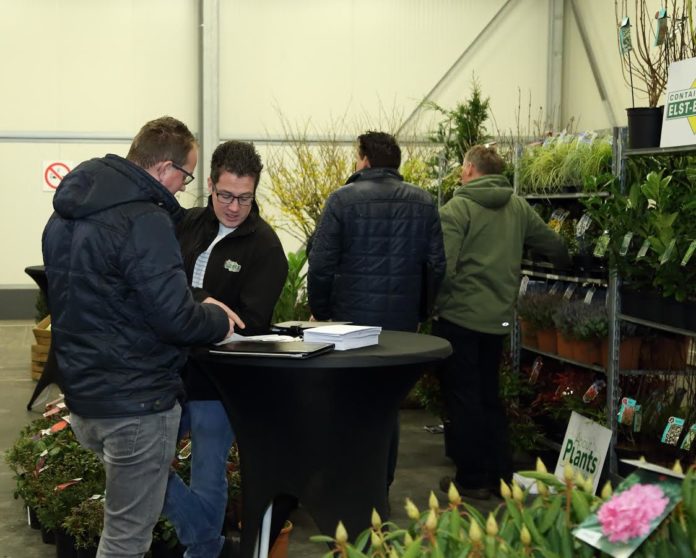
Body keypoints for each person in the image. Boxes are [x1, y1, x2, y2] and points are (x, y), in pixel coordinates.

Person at [42, 116, 243, 558]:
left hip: (86, 399)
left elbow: (110, 296)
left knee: (129, 524)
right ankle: (206, 540)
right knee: (126, 541)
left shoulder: (65, 216)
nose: (181, 187)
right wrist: (214, 317)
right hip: (136, 404)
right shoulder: (144, 220)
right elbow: (174, 320)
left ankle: (204, 540)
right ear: (164, 169)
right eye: (185, 176)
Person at [162, 140, 288, 558]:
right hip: (167, 371)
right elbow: (159, 285)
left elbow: (248, 323)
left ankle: (201, 552)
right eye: (226, 195)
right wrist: (200, 299)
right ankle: (205, 540)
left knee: (208, 471)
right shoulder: (188, 225)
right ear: (211, 184)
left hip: (220, 383)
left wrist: (191, 305)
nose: (235, 207)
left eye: (245, 198)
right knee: (140, 462)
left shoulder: (266, 249)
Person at [308, 130, 446, 494]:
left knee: (348, 401)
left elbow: (321, 263)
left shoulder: (342, 200)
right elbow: (437, 266)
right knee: (388, 403)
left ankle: (347, 483)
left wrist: (321, 311)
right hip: (401, 324)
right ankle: (380, 484)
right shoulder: (425, 202)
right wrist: (421, 311)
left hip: (348, 323)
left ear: (365, 159)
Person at [432, 144, 570, 500]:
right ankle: (501, 475)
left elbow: (443, 268)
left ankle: (472, 479)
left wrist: (436, 304)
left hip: (459, 319)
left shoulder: (457, 209)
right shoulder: (518, 207)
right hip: (497, 321)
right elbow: (553, 246)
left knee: (462, 399)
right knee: (489, 397)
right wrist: (571, 265)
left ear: (469, 170)